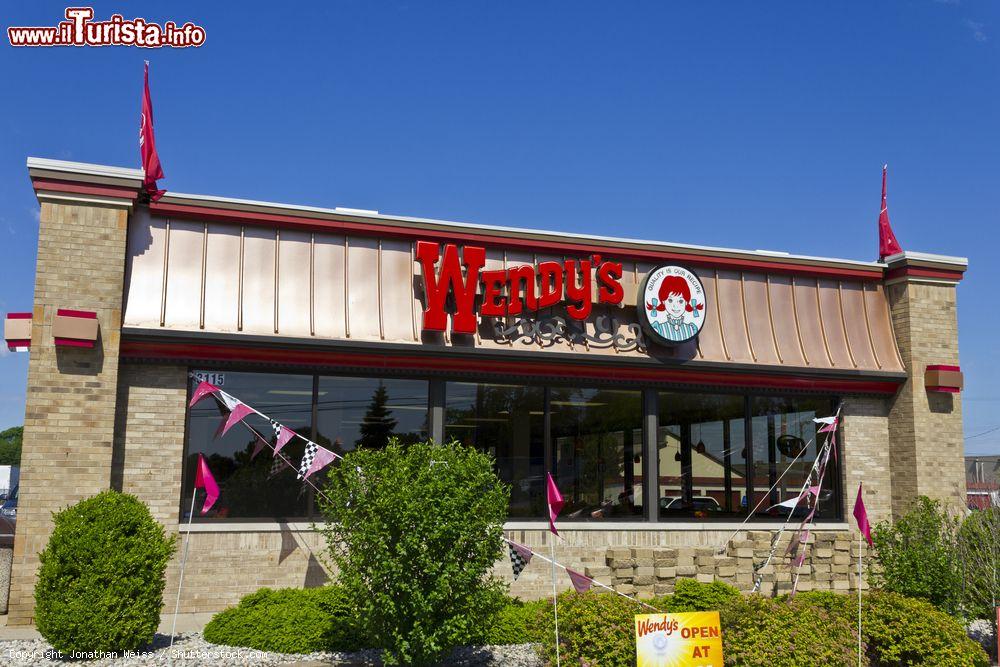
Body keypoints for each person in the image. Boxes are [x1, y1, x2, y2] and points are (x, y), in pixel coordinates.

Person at [647, 275, 701, 341]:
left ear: (686, 302)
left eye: (680, 301)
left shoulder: (691, 329)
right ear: (663, 301)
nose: (675, 306)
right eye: (670, 300)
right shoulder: (659, 328)